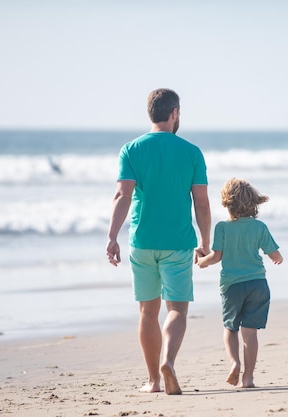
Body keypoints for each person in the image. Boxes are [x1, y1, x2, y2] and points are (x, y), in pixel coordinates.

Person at [106, 88, 212, 395]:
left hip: (142, 240)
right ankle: (168, 361)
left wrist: (112, 237)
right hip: (178, 242)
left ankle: (153, 380)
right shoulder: (192, 152)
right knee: (177, 309)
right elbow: (202, 203)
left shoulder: (131, 149)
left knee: (147, 312)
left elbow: (122, 195)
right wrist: (205, 242)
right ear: (175, 113)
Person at [196, 178, 283, 388]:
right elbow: (275, 254)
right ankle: (248, 377)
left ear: (227, 203)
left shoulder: (223, 228)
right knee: (250, 332)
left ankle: (234, 363)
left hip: (232, 286)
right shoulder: (259, 227)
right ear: (253, 203)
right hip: (258, 285)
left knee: (230, 328)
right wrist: (276, 258)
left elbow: (216, 257)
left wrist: (201, 262)